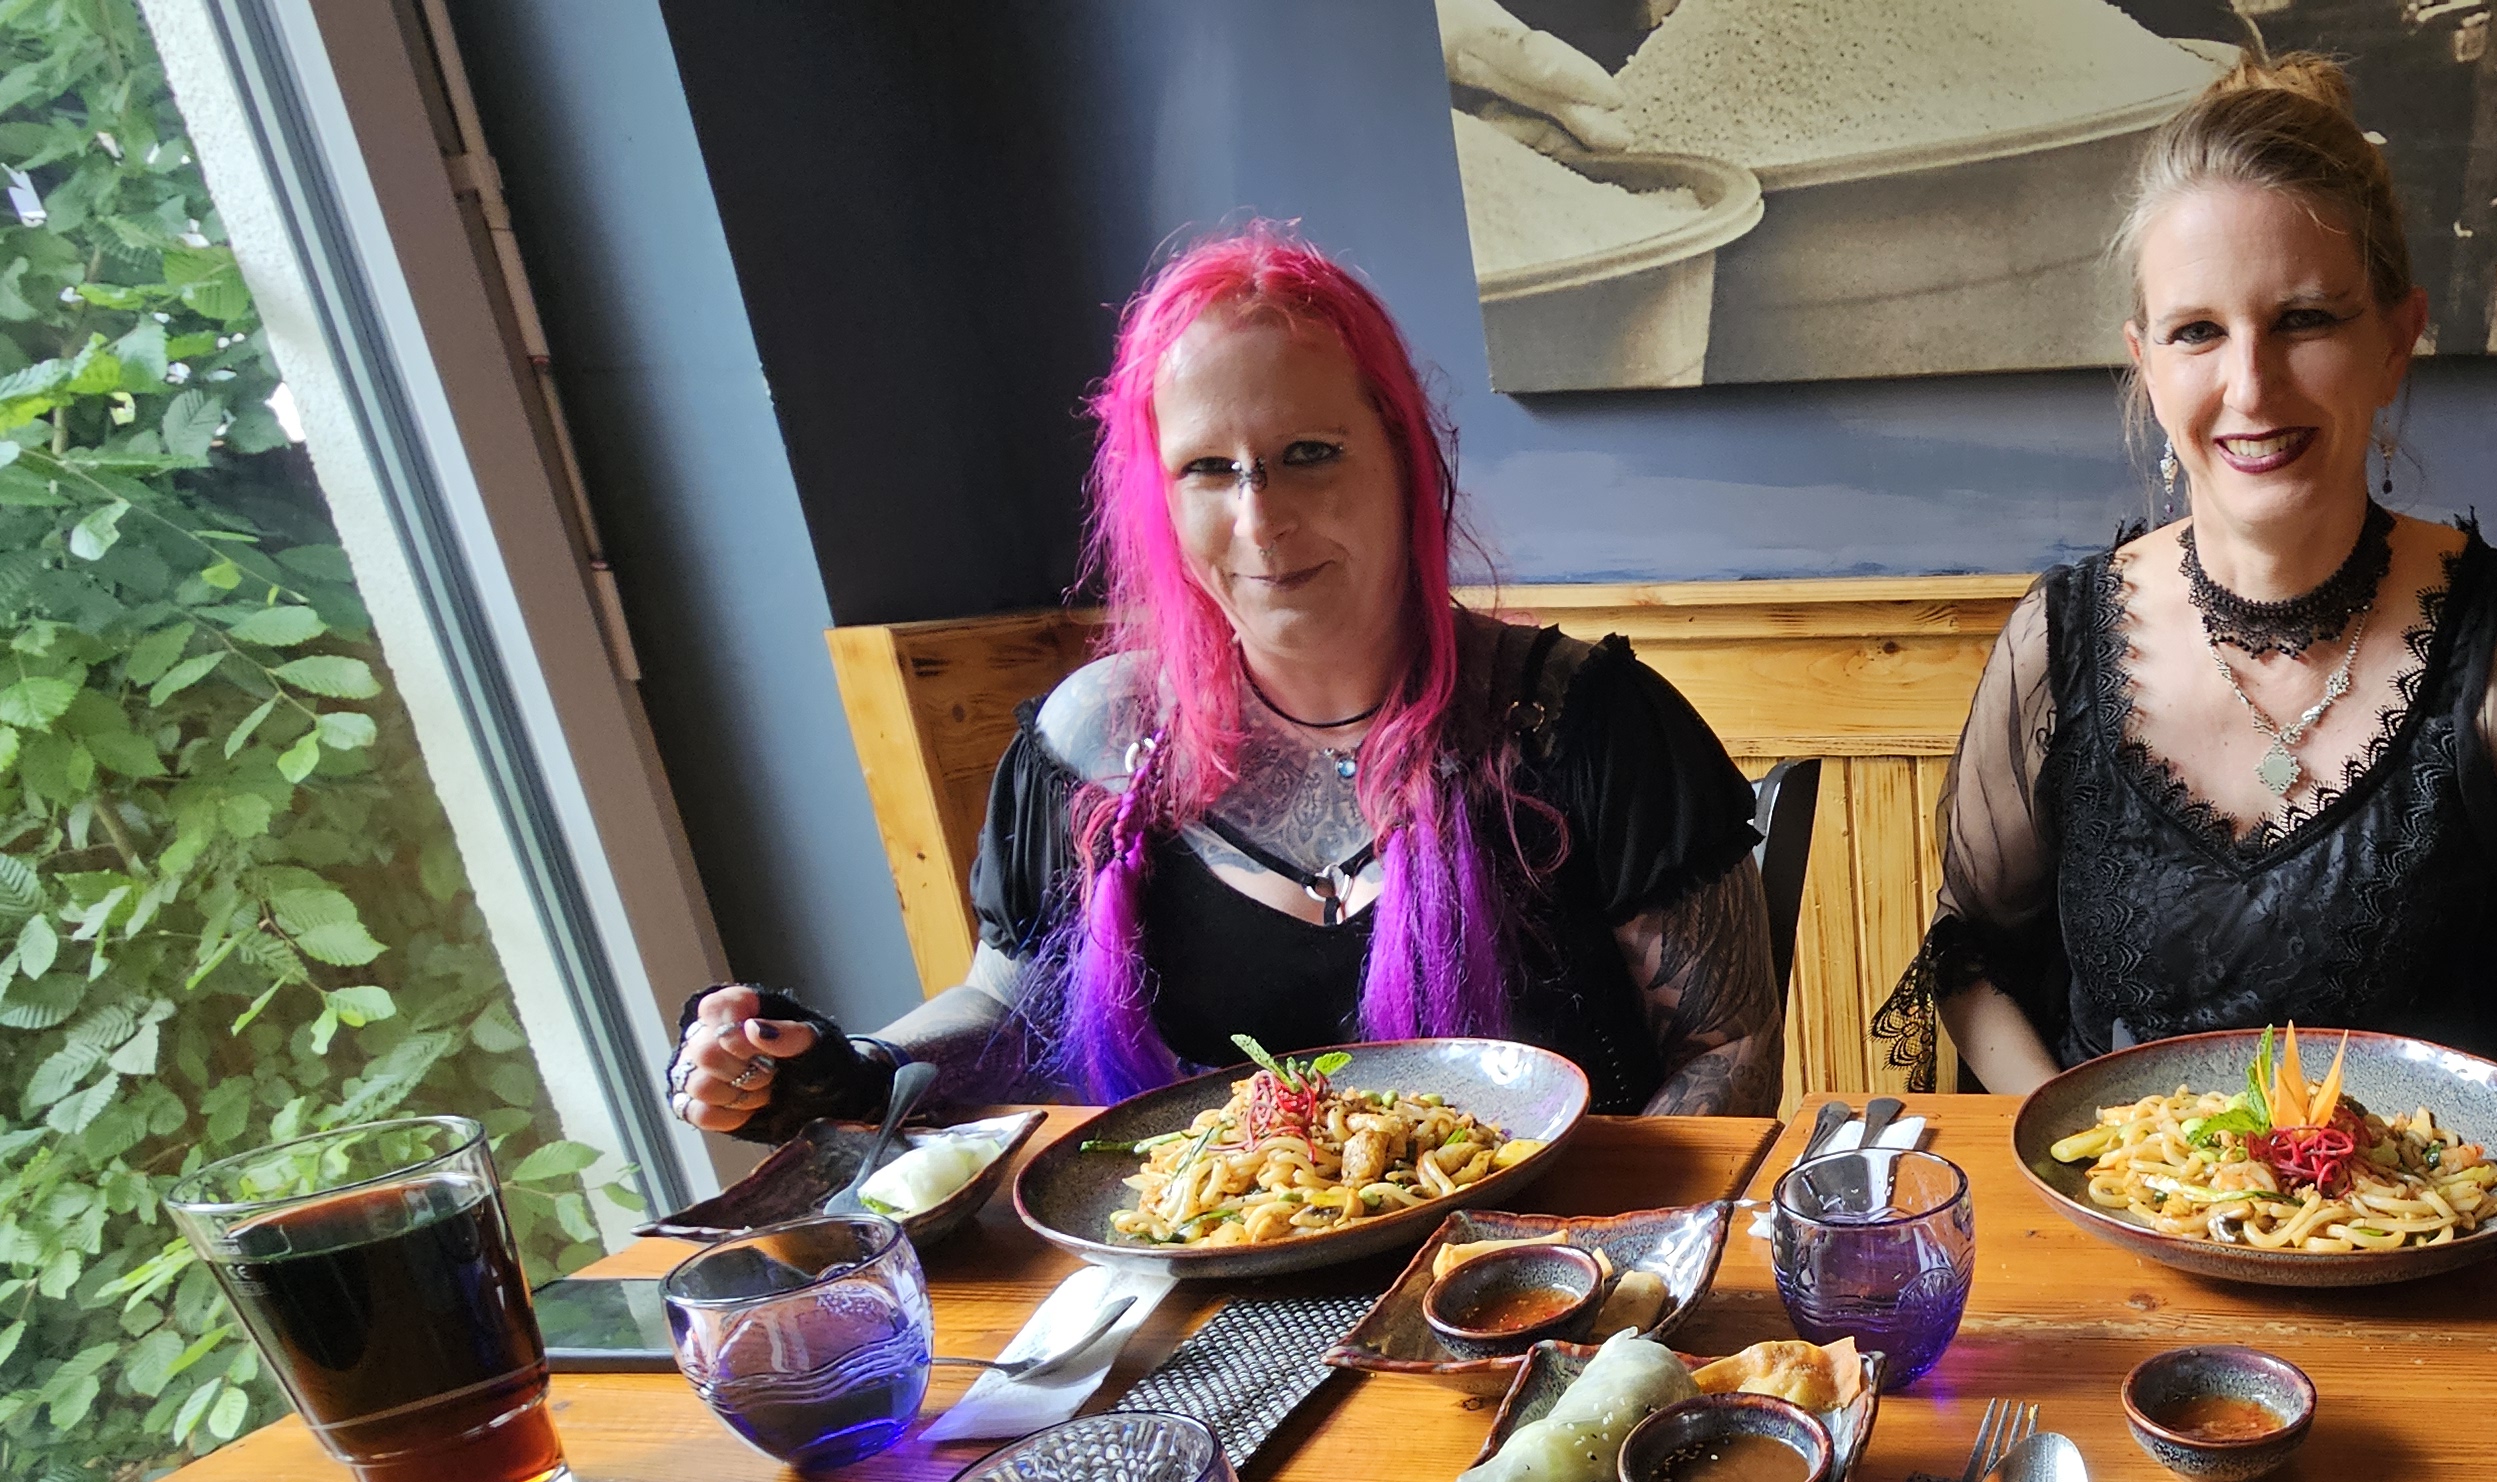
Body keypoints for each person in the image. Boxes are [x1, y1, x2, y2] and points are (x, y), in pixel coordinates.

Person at [666, 225, 1779, 1137]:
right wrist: (847, 1069)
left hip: (1539, 1278)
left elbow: (1727, 1050)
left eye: (1310, 454)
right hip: (1213, 1285)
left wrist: (1608, 1250)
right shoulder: (1092, 747)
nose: (1260, 520)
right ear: (1159, 496)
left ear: (1404, 459)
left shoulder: (1585, 724)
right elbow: (1010, 1010)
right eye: (1208, 468)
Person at [1881, 54, 2497, 1101]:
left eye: (2305, 320)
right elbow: (1973, 958)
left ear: (2395, 341)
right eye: (2198, 332)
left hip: (2442, 1205)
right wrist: (2064, 1143)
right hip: (2118, 1198)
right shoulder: (2058, 641)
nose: (2250, 385)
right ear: (2147, 364)